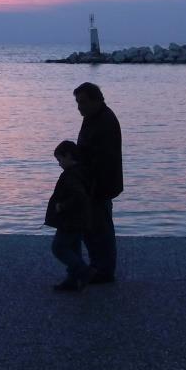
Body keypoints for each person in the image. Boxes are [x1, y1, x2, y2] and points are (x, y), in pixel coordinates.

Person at [73, 82, 123, 284]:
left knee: (100, 230)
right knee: (94, 228)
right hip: (93, 184)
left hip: (98, 186)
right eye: (78, 102)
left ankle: (103, 271)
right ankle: (99, 267)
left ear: (97, 100)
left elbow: (103, 160)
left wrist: (90, 186)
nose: (79, 107)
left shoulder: (104, 121)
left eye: (83, 102)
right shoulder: (95, 117)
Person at [45, 140, 94, 292]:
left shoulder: (71, 175)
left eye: (60, 160)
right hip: (79, 219)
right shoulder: (81, 172)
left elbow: (79, 196)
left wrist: (62, 206)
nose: (59, 164)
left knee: (58, 247)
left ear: (68, 156)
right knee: (74, 248)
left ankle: (84, 271)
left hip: (70, 220)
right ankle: (72, 280)